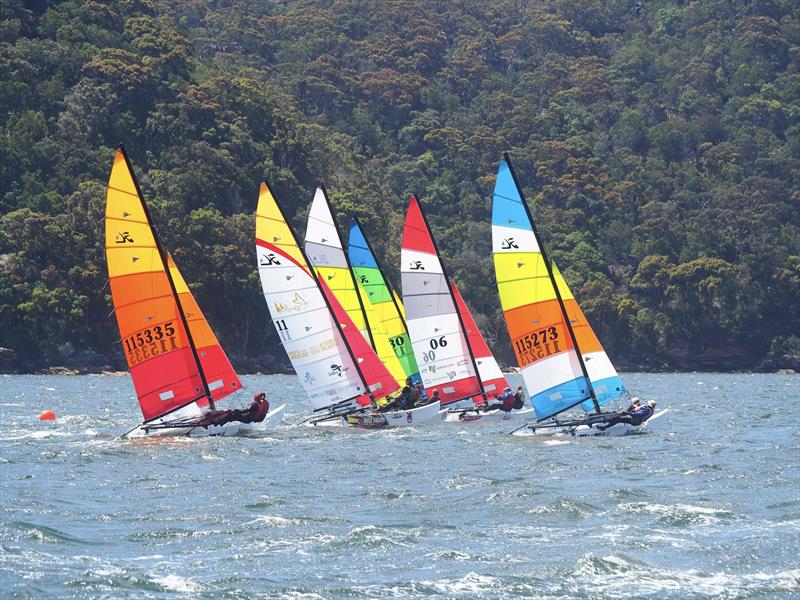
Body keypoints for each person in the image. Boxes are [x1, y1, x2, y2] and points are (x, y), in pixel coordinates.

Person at [198, 392, 270, 428]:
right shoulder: (261, 403)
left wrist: (237, 411)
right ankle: (217, 423)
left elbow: (246, 411)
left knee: (230, 415)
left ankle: (215, 424)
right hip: (249, 419)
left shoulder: (255, 404)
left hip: (247, 419)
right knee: (231, 415)